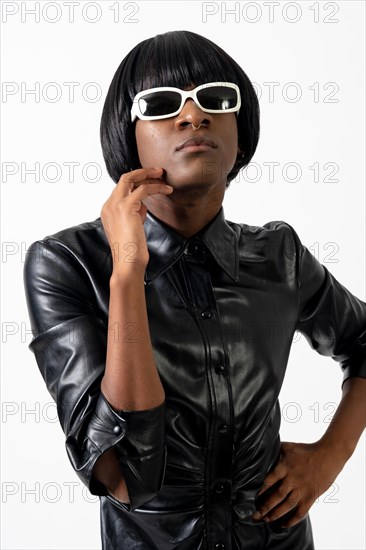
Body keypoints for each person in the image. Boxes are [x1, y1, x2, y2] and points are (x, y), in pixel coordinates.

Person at [23, 30, 366, 550]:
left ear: (240, 131)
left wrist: (328, 459)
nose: (193, 116)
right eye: (162, 104)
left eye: (216, 99)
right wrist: (128, 274)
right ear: (126, 136)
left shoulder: (279, 256)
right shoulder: (66, 264)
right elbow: (126, 476)